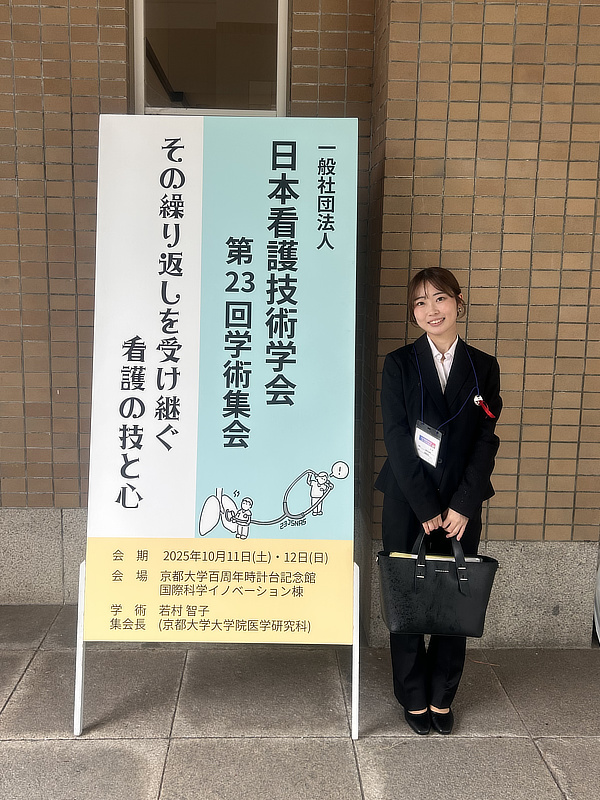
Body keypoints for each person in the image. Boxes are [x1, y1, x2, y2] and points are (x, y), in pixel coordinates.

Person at [375, 267, 502, 736]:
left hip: (461, 505)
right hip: (408, 499)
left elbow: (485, 440)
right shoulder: (399, 364)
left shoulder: (483, 366)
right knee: (407, 595)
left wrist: (464, 503)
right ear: (413, 313)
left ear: (459, 303)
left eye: (440, 298)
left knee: (455, 597)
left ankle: (441, 694)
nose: (431, 310)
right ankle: (412, 693)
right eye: (420, 302)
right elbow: (396, 438)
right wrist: (426, 506)